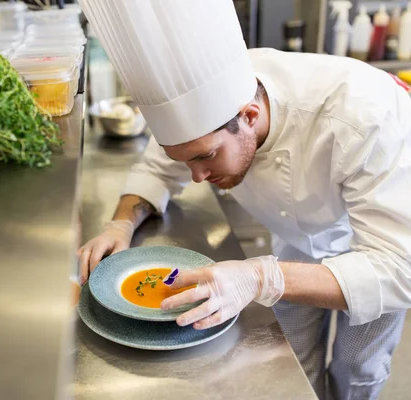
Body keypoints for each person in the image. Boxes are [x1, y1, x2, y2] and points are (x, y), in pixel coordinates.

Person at [77, 0, 411, 399]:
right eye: (186, 159)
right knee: (291, 354)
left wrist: (261, 276)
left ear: (249, 116)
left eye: (206, 156)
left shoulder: (363, 117)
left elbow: (398, 270)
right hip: (293, 239)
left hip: (381, 240)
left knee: (358, 366)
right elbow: (156, 171)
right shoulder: (204, 109)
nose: (199, 177)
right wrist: (121, 222)